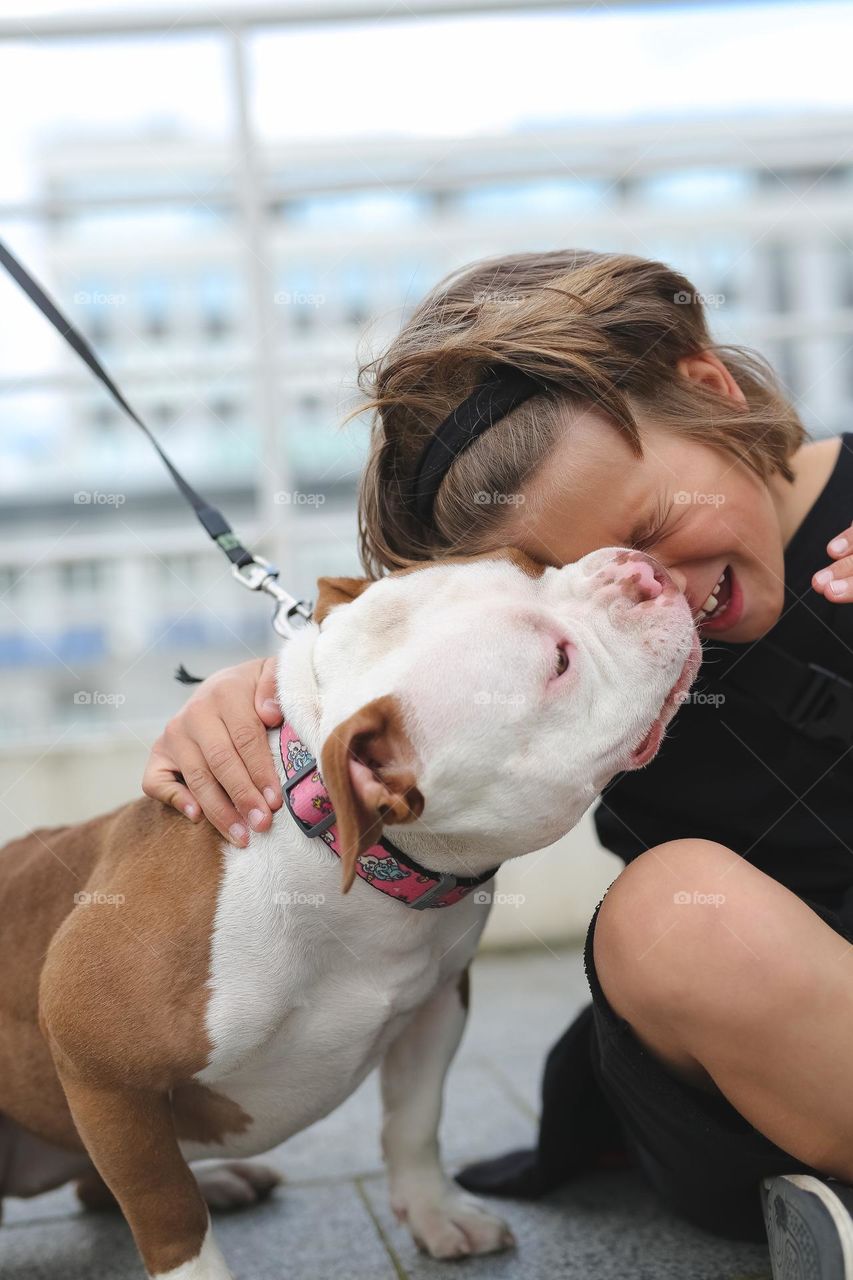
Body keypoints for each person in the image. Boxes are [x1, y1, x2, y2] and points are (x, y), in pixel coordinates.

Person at [143, 250, 853, 1272]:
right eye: (569, 593)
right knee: (669, 912)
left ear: (706, 389)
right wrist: (271, 707)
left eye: (651, 528)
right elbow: (411, 716)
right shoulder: (578, 667)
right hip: (758, 1055)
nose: (653, 591)